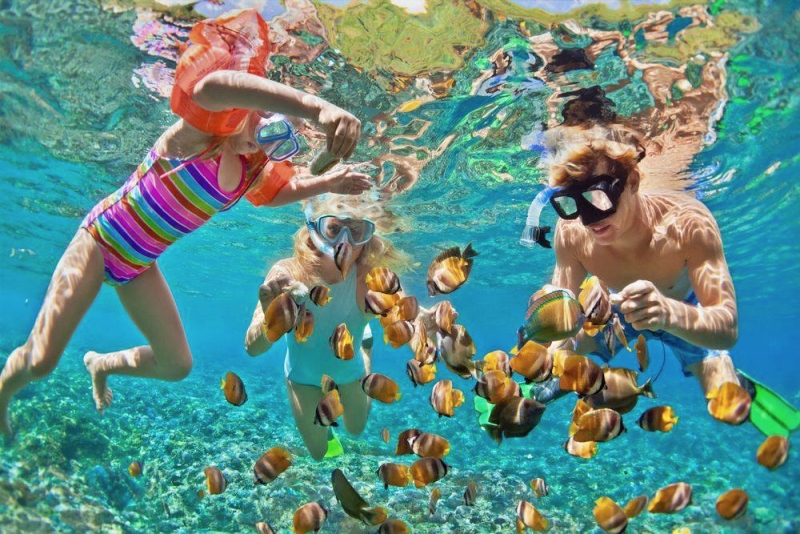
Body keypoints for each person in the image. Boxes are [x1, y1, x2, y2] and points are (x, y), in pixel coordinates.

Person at [0, 9, 373, 438]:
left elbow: (279, 194)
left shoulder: (249, 169)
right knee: (41, 360)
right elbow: (211, 87)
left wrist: (329, 182)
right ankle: (2, 393)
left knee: (177, 365)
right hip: (101, 241)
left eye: (277, 139)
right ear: (253, 102)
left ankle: (100, 364)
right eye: (262, 119)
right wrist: (317, 107)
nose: (262, 136)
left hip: (139, 265)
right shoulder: (197, 135)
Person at [530, 123, 740, 398]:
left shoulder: (688, 222)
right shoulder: (571, 232)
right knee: (550, 365)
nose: (588, 219)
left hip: (683, 310)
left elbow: (727, 328)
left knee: (725, 403)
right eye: (571, 202)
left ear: (632, 182)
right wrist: (550, 353)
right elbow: (564, 320)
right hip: (613, 312)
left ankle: (727, 377)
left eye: (599, 197)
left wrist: (667, 313)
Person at [244, 194, 408, 460]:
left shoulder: (369, 277)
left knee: (356, 429)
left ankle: (365, 351)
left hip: (349, 369)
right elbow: (252, 348)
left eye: (356, 231)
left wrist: (427, 323)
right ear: (314, 229)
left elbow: (407, 316)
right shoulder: (288, 273)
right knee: (319, 452)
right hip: (302, 376)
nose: (344, 242)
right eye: (333, 229)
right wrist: (270, 320)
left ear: (367, 238)